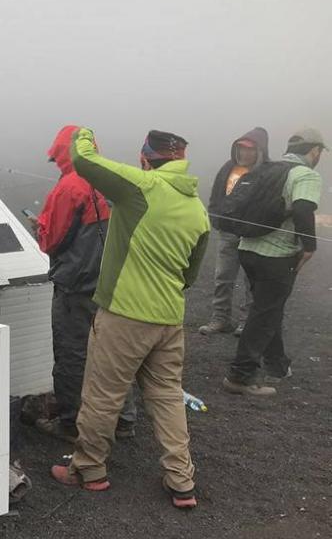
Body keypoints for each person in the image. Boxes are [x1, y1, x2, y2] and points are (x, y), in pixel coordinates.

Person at [50, 129, 210, 509]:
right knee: (168, 396)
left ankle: (88, 469)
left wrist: (84, 133)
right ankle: (181, 480)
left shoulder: (141, 187)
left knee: (103, 394)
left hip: (124, 315)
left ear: (145, 157)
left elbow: (85, 161)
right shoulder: (197, 209)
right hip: (169, 319)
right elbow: (191, 275)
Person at [32, 125, 138, 443]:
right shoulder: (111, 178)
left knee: (72, 352)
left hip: (76, 284)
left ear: (64, 153)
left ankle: (69, 422)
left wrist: (39, 227)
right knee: (113, 350)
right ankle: (124, 419)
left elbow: (53, 240)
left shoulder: (69, 187)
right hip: (112, 280)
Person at [223, 128, 325, 396]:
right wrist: (309, 247)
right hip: (277, 254)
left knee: (268, 307)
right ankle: (241, 376)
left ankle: (277, 365)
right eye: (320, 152)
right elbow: (303, 208)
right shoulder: (306, 174)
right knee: (265, 313)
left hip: (247, 248)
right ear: (314, 151)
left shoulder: (266, 169)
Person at [200, 127, 270, 336]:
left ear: (260, 150)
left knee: (251, 280)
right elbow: (216, 195)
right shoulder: (228, 167)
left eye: (250, 149)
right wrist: (215, 217)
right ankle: (220, 319)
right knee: (223, 277)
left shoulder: (267, 172)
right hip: (228, 232)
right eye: (241, 148)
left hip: (253, 236)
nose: (245, 153)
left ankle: (246, 322)